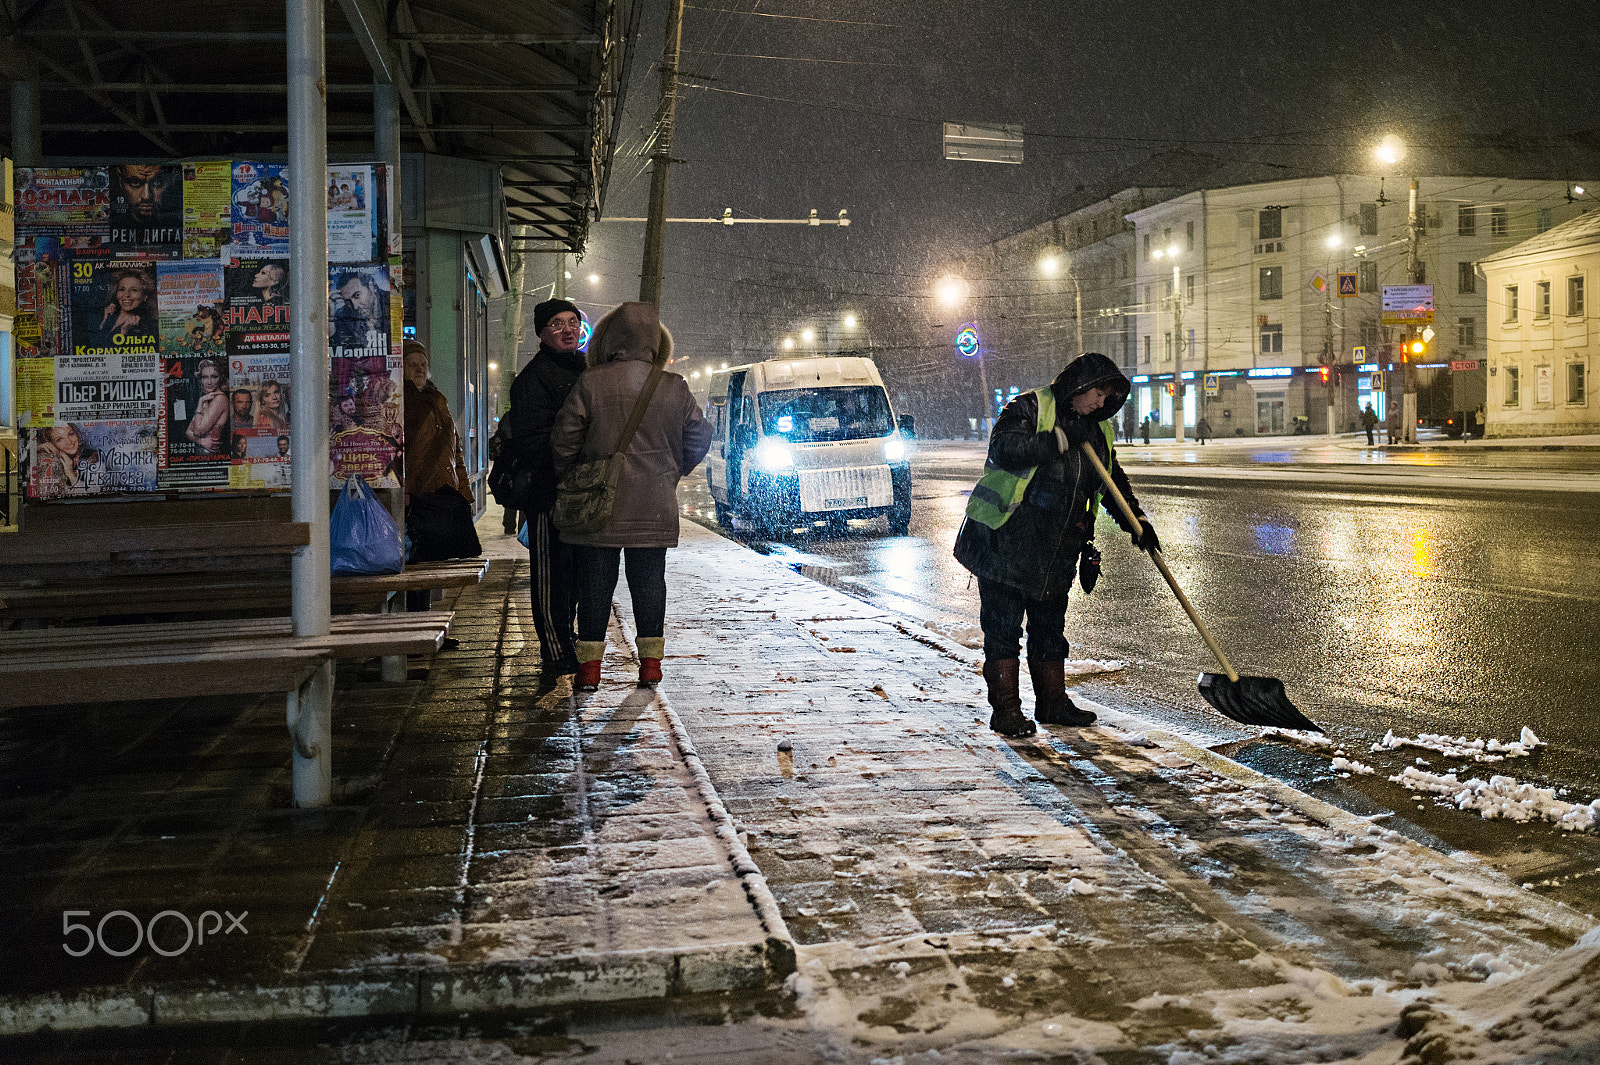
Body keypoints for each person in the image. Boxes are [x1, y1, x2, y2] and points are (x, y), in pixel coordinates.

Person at [953, 352, 1158, 737]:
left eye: (1107, 398)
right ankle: (1006, 711)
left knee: (1049, 631)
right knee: (1003, 632)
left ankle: (1052, 702)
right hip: (1007, 544)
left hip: (1056, 550)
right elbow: (1006, 451)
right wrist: (1060, 439)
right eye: (1098, 393)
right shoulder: (1029, 408)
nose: (1102, 403)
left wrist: (1137, 521)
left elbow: (1111, 481)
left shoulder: (1097, 431)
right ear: (1079, 385)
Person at [551, 302, 712, 691]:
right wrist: (673, 470)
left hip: (600, 504)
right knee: (649, 584)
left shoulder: (592, 383)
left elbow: (563, 441)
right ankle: (651, 666)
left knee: (594, 585)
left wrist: (575, 474)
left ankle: (590, 670)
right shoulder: (673, 385)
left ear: (609, 339)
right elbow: (700, 435)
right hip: (654, 503)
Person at [501, 299, 588, 675]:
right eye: (557, 324)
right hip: (546, 492)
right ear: (541, 332)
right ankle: (554, 651)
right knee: (551, 576)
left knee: (578, 574)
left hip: (581, 492)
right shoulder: (533, 379)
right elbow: (535, 441)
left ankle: (568, 643)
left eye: (573, 322)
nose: (568, 330)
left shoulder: (587, 368)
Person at [402, 340, 479, 620]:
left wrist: (463, 490)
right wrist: (404, 490)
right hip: (414, 495)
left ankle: (424, 621)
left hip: (439, 492)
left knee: (430, 564)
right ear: (401, 368)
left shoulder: (438, 399)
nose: (420, 369)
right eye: (412, 364)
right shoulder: (399, 400)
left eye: (423, 364)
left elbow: (455, 449)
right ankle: (413, 625)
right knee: (414, 563)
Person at [34, 423, 109, 499]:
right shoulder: (51, 461)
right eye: (59, 439)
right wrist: (38, 448)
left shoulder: (93, 459)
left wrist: (70, 473)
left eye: (71, 434)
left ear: (77, 435)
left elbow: (93, 494)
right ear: (52, 445)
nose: (69, 442)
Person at [91, 268, 157, 344]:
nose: (126, 295)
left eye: (134, 290)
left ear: (145, 296)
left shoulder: (148, 326)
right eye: (122, 289)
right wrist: (103, 321)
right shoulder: (107, 315)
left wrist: (124, 332)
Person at [185, 358, 229, 453]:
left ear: (220, 378)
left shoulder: (220, 399)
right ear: (201, 379)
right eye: (205, 377)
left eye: (214, 377)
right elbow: (188, 432)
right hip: (202, 452)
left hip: (212, 455)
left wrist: (200, 402)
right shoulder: (207, 398)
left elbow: (197, 431)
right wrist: (201, 441)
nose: (209, 382)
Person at [330, 270, 381, 347]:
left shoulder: (388, 300)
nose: (355, 306)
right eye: (347, 301)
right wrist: (330, 318)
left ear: (371, 286)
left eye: (357, 295)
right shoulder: (343, 314)